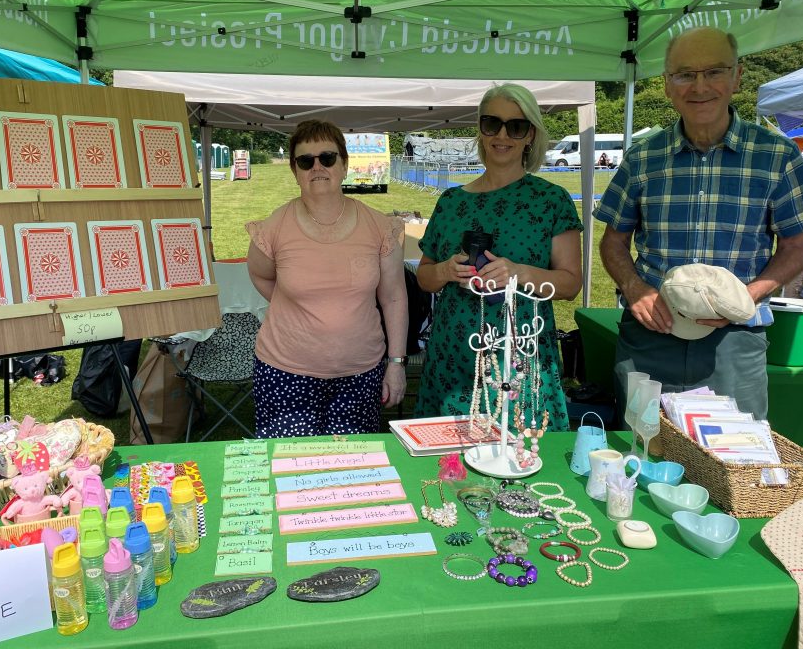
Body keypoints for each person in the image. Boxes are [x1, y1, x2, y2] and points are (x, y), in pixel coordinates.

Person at [595, 27, 803, 421]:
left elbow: (795, 248)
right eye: (685, 74)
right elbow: (612, 242)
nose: (699, 86)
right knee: (640, 453)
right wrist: (635, 289)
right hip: (653, 333)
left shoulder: (777, 156)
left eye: (714, 72)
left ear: (737, 77)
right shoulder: (643, 157)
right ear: (668, 85)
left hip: (736, 339)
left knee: (733, 461)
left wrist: (745, 298)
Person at [414, 83, 583, 432]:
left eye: (516, 126)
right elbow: (424, 277)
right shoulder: (450, 202)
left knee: (520, 459)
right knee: (448, 464)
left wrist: (518, 272)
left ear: (530, 135)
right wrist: (446, 270)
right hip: (454, 353)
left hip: (519, 354)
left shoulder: (551, 200)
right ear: (480, 128)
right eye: (492, 123)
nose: (502, 134)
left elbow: (569, 284)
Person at [246, 120, 407, 437]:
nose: (317, 167)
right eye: (305, 161)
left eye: (328, 158)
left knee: (352, 473)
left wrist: (397, 363)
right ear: (295, 171)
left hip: (360, 374)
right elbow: (261, 276)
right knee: (291, 472)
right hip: (285, 373)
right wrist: (301, 309)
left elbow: (394, 297)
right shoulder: (275, 226)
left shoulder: (378, 226)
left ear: (345, 165)